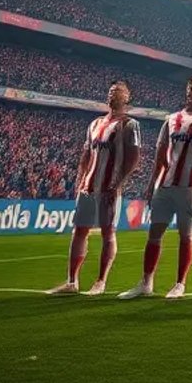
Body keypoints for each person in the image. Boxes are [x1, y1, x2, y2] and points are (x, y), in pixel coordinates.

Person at [119, 76, 192, 300]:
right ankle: (146, 282)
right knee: (154, 233)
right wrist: (150, 183)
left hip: (189, 187)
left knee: (186, 235)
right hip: (164, 185)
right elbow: (160, 154)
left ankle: (180, 284)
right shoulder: (171, 119)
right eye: (189, 89)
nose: (191, 93)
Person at [47, 81, 141, 296]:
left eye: (118, 91)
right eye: (110, 91)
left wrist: (118, 183)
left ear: (127, 97)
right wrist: (80, 179)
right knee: (79, 231)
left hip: (109, 187)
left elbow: (134, 158)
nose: (112, 93)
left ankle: (101, 282)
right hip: (88, 186)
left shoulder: (130, 125)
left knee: (108, 232)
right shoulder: (95, 124)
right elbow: (86, 155)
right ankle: (72, 282)